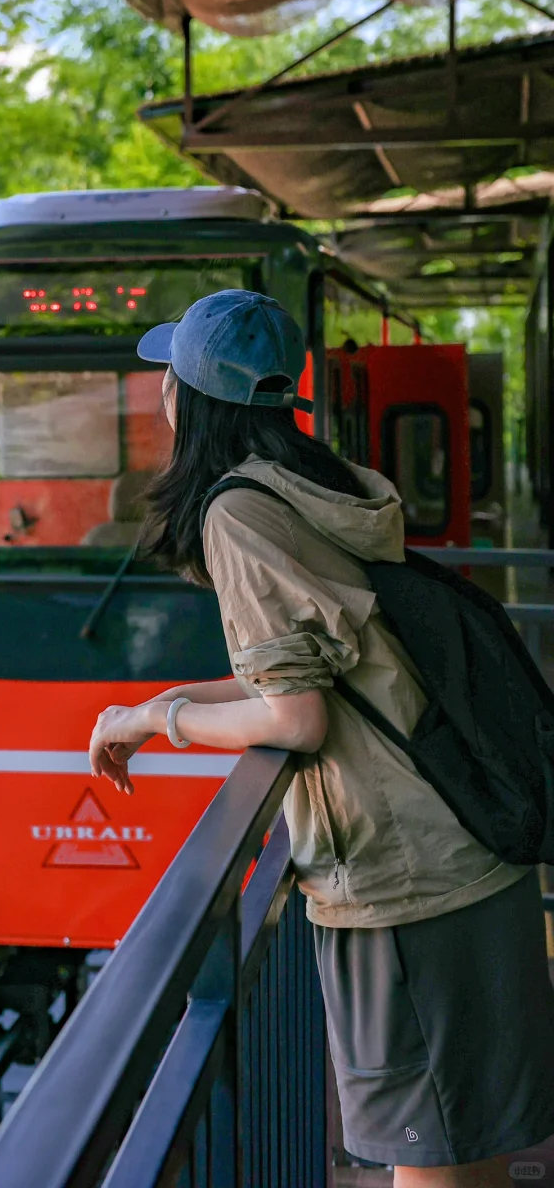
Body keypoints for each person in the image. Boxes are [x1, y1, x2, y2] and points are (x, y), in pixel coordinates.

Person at [87, 289, 554, 1188]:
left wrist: (163, 721)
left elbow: (295, 717)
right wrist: (157, 705)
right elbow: (309, 669)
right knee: (470, 1154)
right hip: (466, 844)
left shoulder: (235, 512)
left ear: (189, 399)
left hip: (405, 879)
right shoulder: (317, 483)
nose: (158, 397)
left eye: (168, 379)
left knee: (427, 1161)